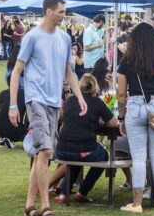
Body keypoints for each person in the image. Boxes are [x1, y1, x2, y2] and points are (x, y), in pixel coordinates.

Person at [9, 0, 87, 216]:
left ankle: (29, 204)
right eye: (61, 11)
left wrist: (80, 97)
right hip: (35, 99)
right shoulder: (32, 36)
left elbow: (69, 72)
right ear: (49, 11)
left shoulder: (65, 38)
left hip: (54, 101)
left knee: (42, 155)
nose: (65, 15)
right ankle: (45, 206)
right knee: (45, 151)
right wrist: (13, 105)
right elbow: (16, 72)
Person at [117, 22, 154, 213]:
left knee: (138, 157)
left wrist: (121, 117)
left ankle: (137, 203)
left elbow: (121, 94)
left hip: (136, 104)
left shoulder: (127, 61)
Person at [50, 74, 119, 203]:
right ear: (95, 87)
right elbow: (113, 123)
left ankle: (64, 193)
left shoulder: (71, 100)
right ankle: (82, 192)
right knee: (103, 156)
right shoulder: (97, 102)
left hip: (62, 149)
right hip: (82, 150)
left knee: (76, 157)